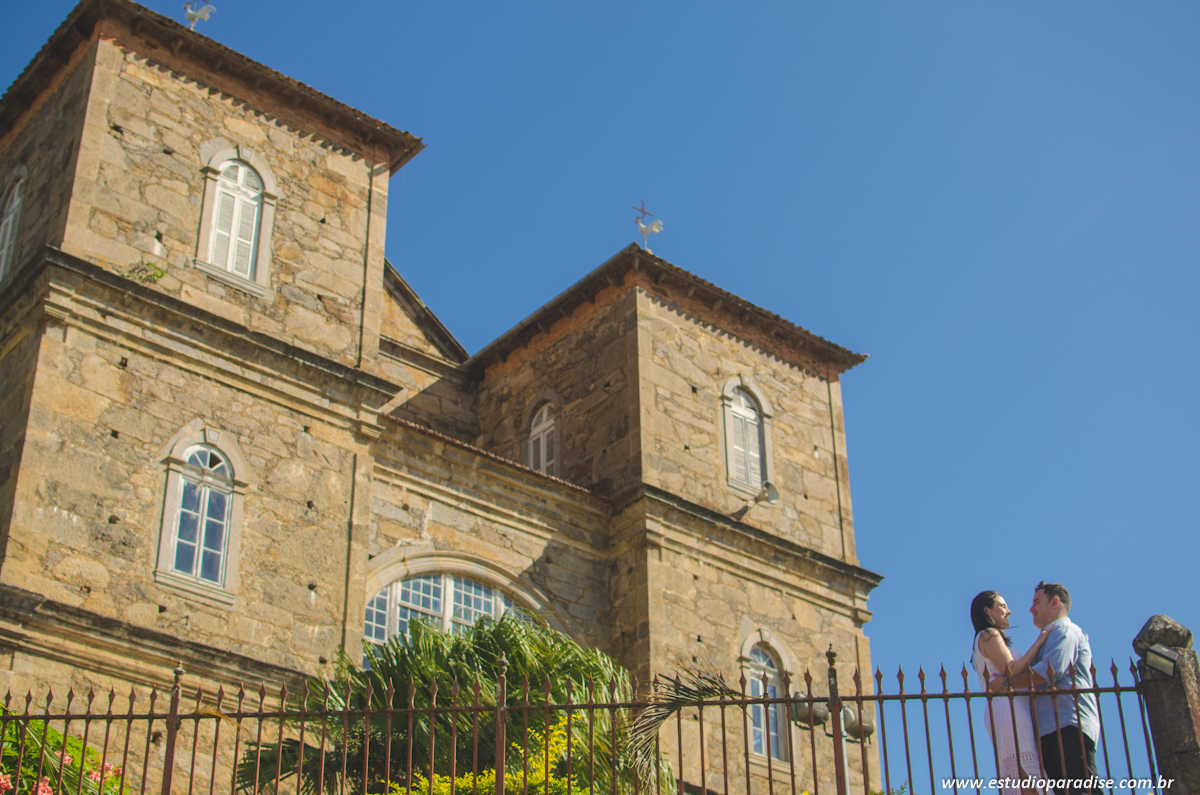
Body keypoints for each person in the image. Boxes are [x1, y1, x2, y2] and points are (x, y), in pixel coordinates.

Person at [1007, 582, 1100, 795]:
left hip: (1067, 724)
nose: (1031, 609)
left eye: (1037, 602)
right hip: (1056, 727)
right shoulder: (1051, 635)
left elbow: (1050, 671)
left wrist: (1006, 685)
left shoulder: (1064, 630)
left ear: (1055, 602)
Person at [971, 591, 1052, 795]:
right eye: (1002, 606)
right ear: (987, 610)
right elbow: (1012, 669)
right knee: (1023, 768)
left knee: (1020, 769)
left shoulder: (989, 637)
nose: (1008, 611)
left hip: (1010, 708)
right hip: (1008, 709)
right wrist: (1039, 643)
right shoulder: (989, 634)